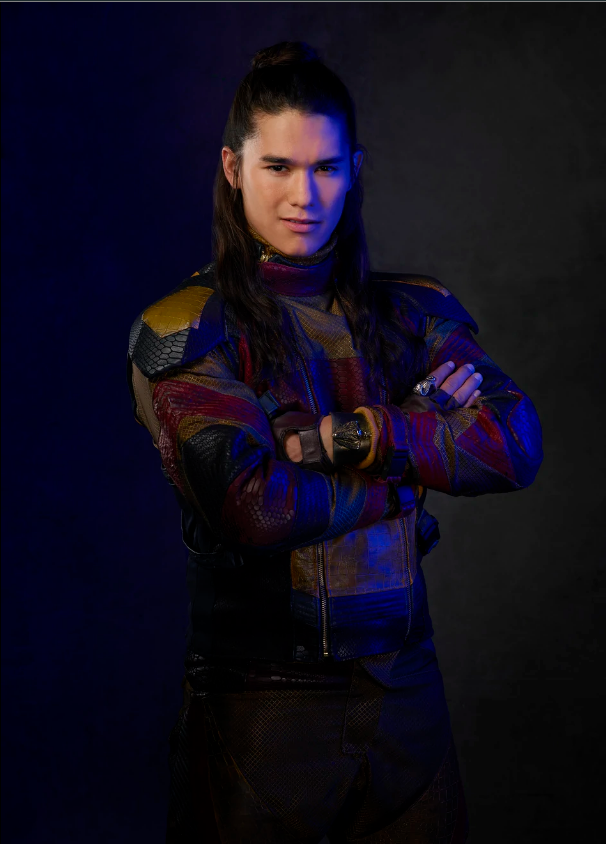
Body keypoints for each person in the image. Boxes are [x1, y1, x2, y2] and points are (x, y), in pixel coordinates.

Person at [127, 41, 543, 844]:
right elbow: (254, 507)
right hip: (261, 710)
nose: (303, 195)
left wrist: (349, 437)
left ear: (354, 170)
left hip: (406, 696)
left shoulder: (413, 313)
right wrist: (413, 453)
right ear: (233, 168)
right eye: (278, 167)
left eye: (323, 168)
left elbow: (513, 443)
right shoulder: (187, 330)